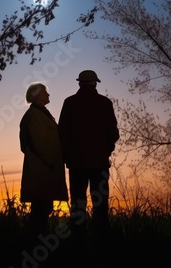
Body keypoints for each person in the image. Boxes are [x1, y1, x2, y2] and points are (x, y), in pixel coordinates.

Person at [58, 70, 119, 240]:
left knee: (78, 203)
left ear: (79, 83)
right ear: (95, 83)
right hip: (99, 163)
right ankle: (101, 240)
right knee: (100, 203)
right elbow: (113, 133)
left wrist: (68, 156)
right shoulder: (105, 103)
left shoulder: (69, 103)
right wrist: (106, 150)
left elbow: (62, 133)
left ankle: (77, 241)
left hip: (76, 164)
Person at [19, 82, 69, 236]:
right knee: (40, 209)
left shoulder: (38, 113)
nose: (48, 95)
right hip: (42, 171)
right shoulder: (35, 115)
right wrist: (53, 161)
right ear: (36, 95)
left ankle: (36, 241)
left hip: (44, 170)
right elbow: (41, 143)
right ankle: (35, 243)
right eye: (45, 92)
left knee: (42, 208)